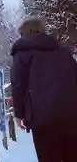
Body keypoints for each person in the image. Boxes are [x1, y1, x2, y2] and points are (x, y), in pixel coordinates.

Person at [10, 16, 77, 162]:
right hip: (71, 116)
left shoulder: (22, 53)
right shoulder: (64, 53)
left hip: (42, 116)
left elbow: (18, 85)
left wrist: (19, 114)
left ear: (23, 33)